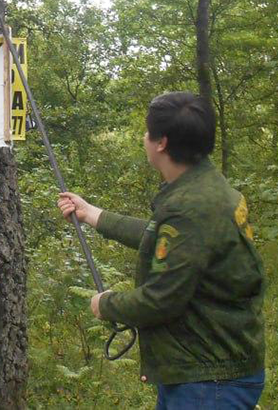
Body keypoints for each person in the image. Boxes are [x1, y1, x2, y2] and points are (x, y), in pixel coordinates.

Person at [58, 91, 266, 409]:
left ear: (161, 143)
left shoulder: (191, 205)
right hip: (206, 371)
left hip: (210, 382)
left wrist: (107, 304)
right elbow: (167, 240)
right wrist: (92, 215)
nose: (144, 137)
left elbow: (162, 300)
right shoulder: (207, 189)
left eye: (147, 132)